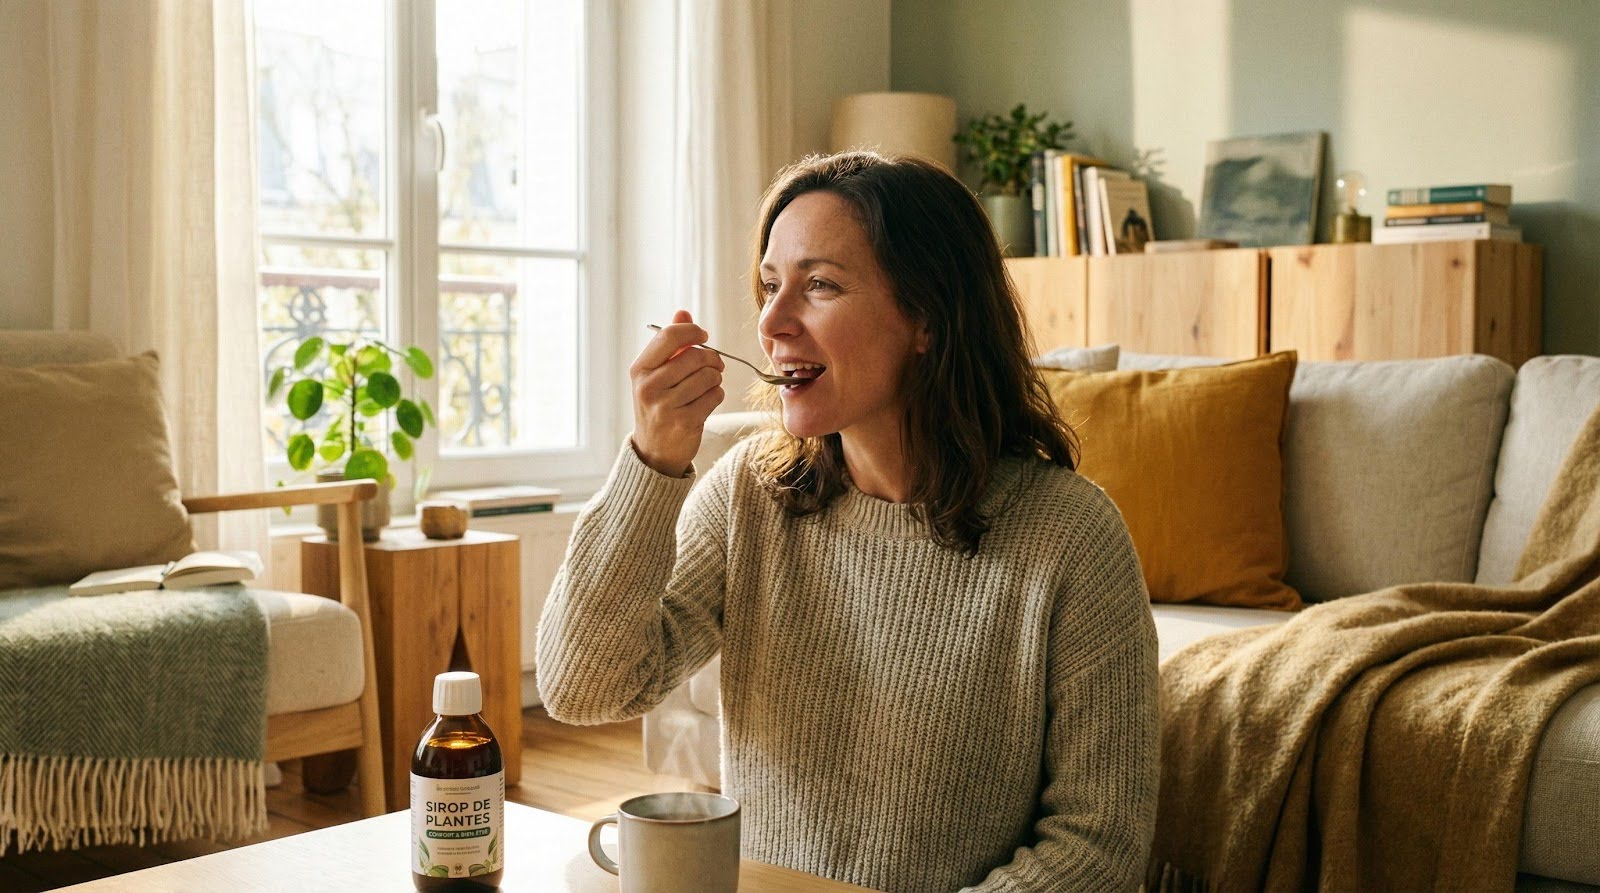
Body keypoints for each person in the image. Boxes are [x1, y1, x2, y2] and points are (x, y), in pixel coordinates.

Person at [537, 151, 1157, 892]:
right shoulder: (749, 493)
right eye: (770, 286)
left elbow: (1100, 840)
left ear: (926, 317)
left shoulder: (1071, 535)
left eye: (819, 285)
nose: (771, 321)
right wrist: (653, 460)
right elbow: (582, 687)